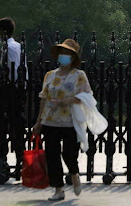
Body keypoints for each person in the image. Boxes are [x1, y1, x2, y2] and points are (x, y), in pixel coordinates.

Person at [32, 39, 92, 201]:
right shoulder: (50, 75)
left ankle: (74, 173)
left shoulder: (79, 76)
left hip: (70, 121)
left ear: (73, 57)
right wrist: (38, 122)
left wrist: (68, 100)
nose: (63, 56)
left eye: (67, 53)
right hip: (50, 120)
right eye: (62, 53)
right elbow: (43, 98)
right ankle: (58, 189)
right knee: (52, 156)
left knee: (69, 154)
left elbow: (87, 96)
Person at [0, 17, 26, 177]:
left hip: (9, 91)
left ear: (3, 31)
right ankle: (20, 163)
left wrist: (6, 86)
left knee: (0, 128)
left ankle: (3, 163)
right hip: (16, 91)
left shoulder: (10, 48)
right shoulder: (18, 46)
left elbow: (13, 70)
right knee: (16, 129)